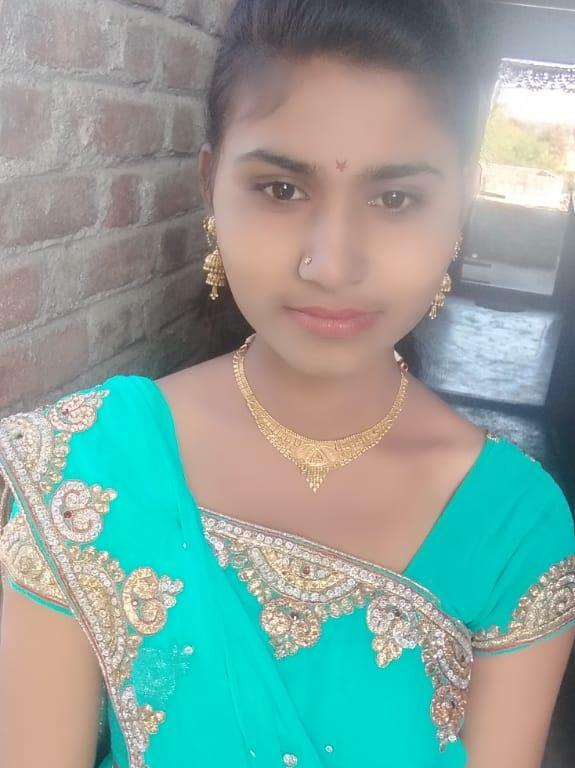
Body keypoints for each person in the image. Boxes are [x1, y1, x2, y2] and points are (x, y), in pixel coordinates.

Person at [1, 1, 575, 766]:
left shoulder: (513, 524)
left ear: (458, 208)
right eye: (280, 189)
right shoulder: (85, 467)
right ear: (210, 186)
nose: (330, 264)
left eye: (395, 198)